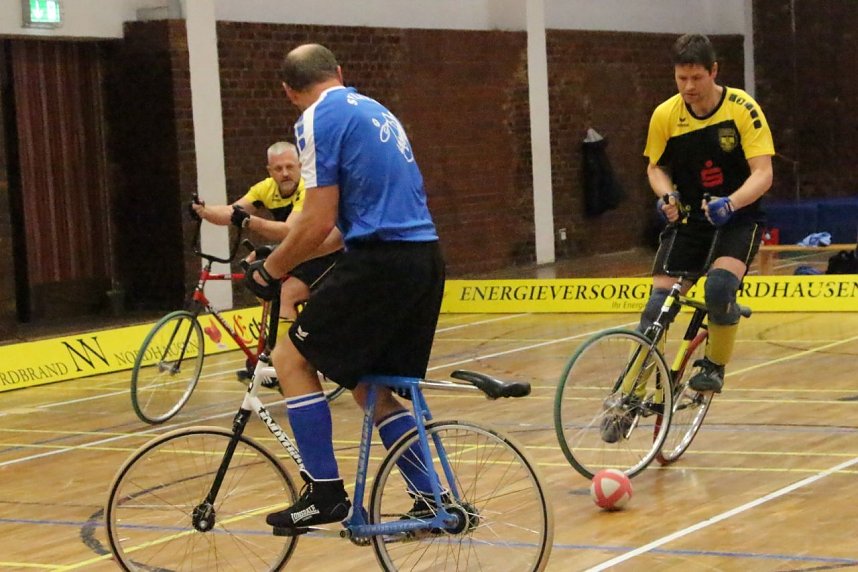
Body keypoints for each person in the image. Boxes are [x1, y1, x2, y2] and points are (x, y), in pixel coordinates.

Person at [244, 44, 445, 530]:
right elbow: (335, 232)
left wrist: (269, 271)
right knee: (371, 387)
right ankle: (432, 501)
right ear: (340, 72)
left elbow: (316, 220)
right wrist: (285, 263)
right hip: (424, 260)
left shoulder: (316, 118)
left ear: (290, 92)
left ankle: (324, 492)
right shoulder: (377, 111)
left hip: (382, 263)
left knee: (290, 357)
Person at [642, 34, 774, 392]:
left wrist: (730, 203)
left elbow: (763, 172)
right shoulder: (665, 115)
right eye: (681, 78)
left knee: (718, 288)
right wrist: (666, 194)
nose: (688, 87)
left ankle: (714, 366)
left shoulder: (742, 109)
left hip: (738, 219)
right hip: (690, 223)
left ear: (713, 71)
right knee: (657, 307)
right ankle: (631, 391)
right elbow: (655, 168)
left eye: (697, 78)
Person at [191, 141, 343, 320]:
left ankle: (284, 345)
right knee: (261, 283)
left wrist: (250, 221)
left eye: (289, 167)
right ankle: (282, 334)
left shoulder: (307, 189)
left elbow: (289, 230)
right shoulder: (266, 188)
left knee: (285, 295)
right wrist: (204, 211)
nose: (285, 173)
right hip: (299, 251)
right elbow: (231, 212)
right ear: (270, 171)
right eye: (278, 169)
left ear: (300, 167)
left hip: (325, 253)